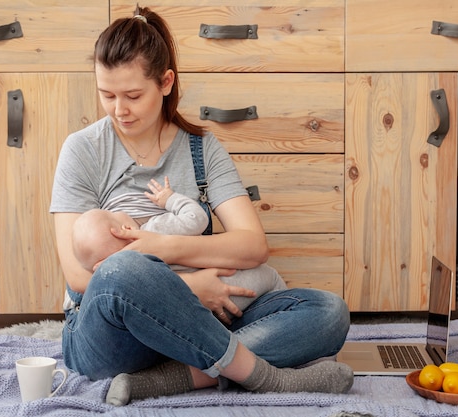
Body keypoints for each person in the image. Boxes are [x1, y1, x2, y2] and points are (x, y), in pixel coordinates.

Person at [50, 6, 353, 405]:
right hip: (113, 337)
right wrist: (190, 288)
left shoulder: (201, 150)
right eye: (107, 95)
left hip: (202, 325)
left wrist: (161, 247)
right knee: (122, 269)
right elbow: (78, 278)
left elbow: (252, 245)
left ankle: (174, 378)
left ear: (165, 82)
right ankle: (260, 375)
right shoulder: (84, 150)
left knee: (328, 312)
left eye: (133, 96)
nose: (118, 110)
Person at [71, 175, 287, 314]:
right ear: (125, 230)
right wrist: (170, 199)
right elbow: (197, 219)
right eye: (113, 214)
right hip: (226, 288)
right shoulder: (153, 230)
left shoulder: (125, 278)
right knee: (271, 278)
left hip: (187, 315)